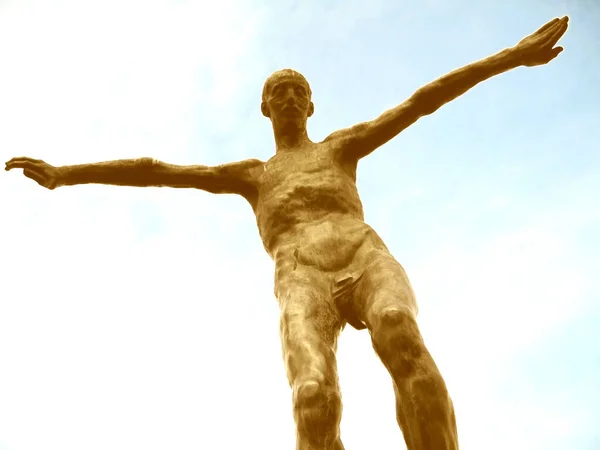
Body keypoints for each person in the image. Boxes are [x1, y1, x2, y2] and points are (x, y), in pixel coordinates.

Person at [5, 16, 569, 450]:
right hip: (300, 271)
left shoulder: (340, 147)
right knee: (313, 398)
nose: (291, 98)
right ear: (265, 108)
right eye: (280, 92)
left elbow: (421, 101)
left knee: (399, 329)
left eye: (299, 91)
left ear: (312, 104)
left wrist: (512, 57)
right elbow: (157, 171)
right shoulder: (254, 176)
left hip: (360, 250)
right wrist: (67, 174)